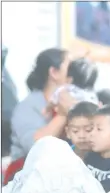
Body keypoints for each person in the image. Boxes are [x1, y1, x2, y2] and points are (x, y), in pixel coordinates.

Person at [4, 48, 76, 185]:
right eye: (70, 66)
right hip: (25, 177)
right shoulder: (27, 106)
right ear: (54, 72)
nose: (75, 72)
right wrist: (62, 115)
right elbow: (34, 146)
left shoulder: (75, 99)